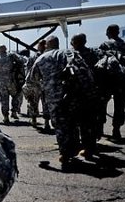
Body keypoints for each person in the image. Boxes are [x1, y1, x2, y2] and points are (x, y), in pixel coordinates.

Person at [26, 35, 98, 166]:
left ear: (47, 45)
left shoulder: (41, 58)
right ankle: (86, 149)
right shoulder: (71, 54)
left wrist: (38, 91)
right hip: (75, 95)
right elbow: (86, 73)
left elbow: (30, 82)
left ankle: (65, 153)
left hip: (54, 99)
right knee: (79, 121)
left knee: (61, 126)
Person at [98, 24, 125, 140]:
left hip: (106, 80)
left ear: (108, 32)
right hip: (122, 80)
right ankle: (116, 130)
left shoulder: (104, 45)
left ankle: (100, 128)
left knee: (101, 104)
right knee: (120, 106)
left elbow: (98, 62)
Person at [0, 45, 25, 124]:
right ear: (6, 49)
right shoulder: (11, 57)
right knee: (15, 96)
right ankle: (14, 112)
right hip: (12, 81)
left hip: (1, 83)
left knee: (4, 100)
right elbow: (21, 62)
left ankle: (5, 116)